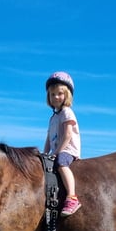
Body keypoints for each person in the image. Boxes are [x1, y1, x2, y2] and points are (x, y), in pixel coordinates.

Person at [44, 71, 81, 216]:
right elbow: (48, 138)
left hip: (68, 149)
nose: (56, 97)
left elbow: (67, 135)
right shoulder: (53, 118)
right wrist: (45, 154)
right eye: (52, 94)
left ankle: (72, 197)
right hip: (57, 149)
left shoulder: (67, 112)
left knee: (60, 162)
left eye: (59, 93)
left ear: (67, 95)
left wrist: (56, 152)